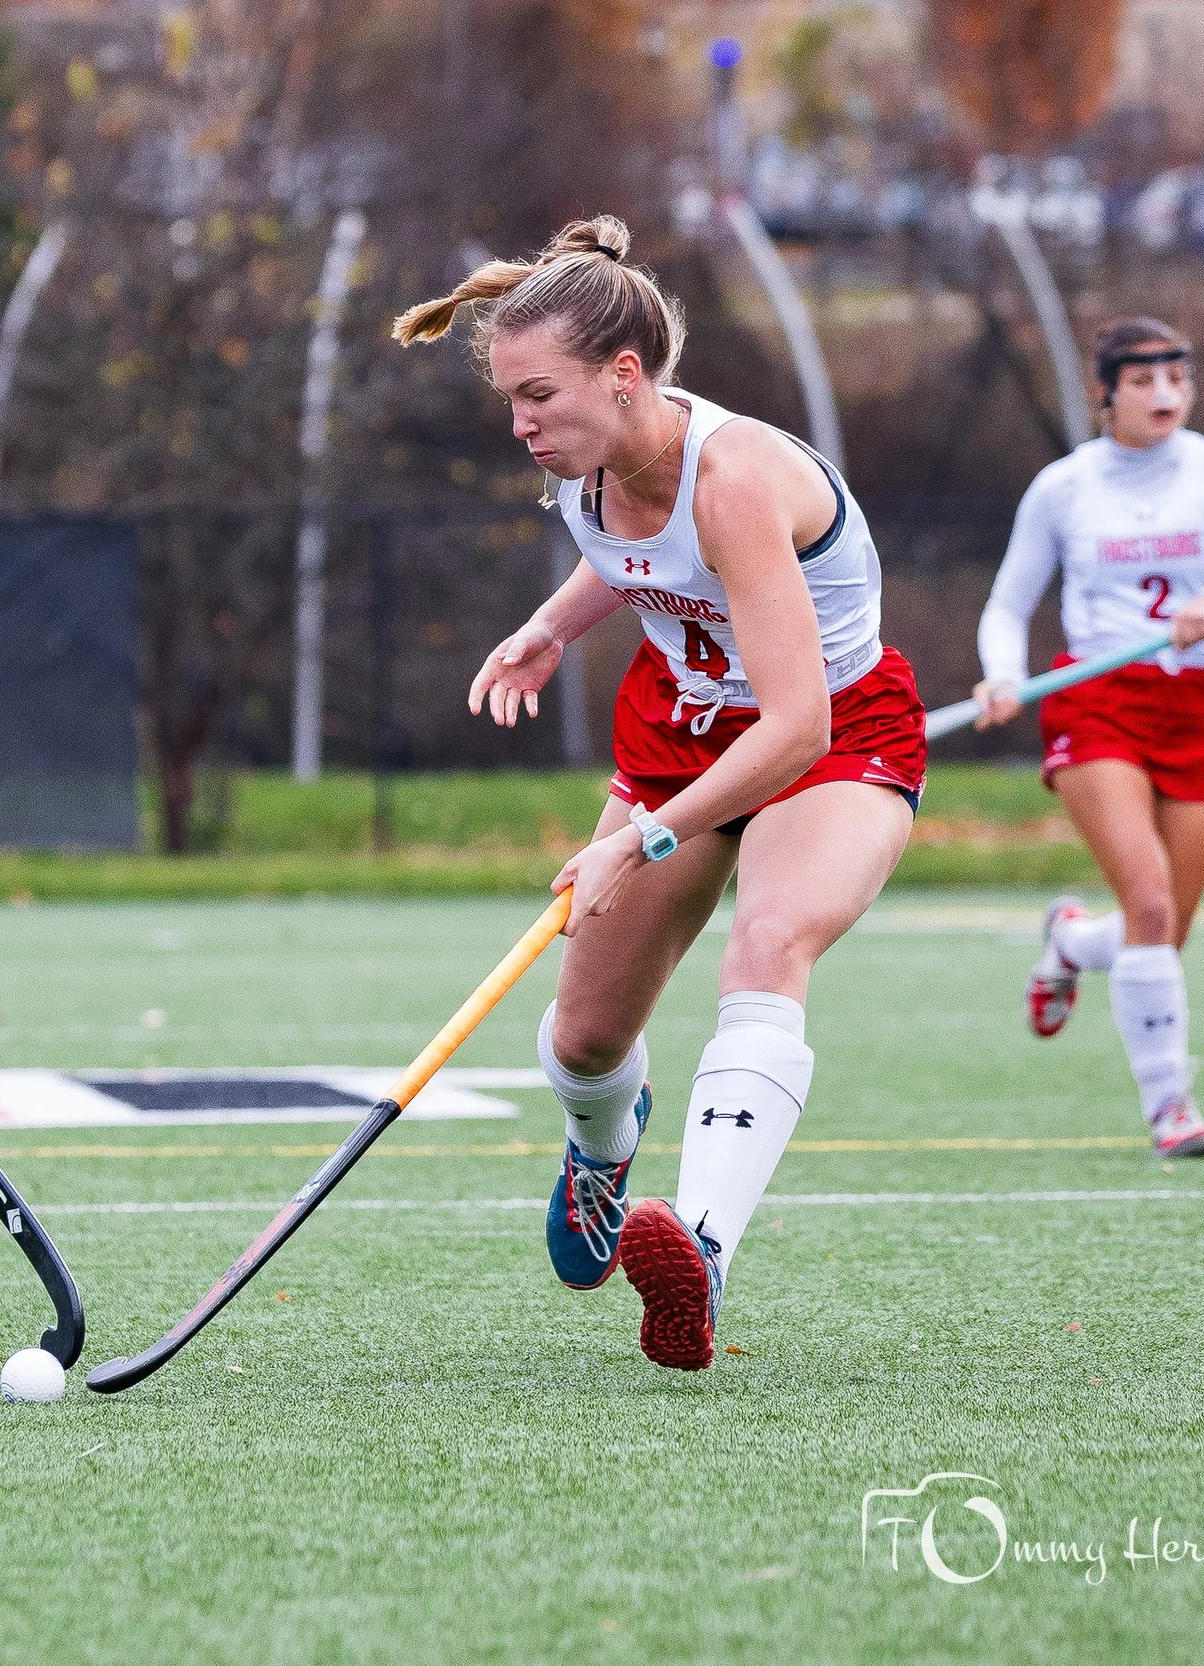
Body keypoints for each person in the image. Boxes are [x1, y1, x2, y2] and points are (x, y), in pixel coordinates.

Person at [395, 216, 926, 1372]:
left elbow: (793, 727)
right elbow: (628, 555)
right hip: (676, 736)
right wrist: (546, 628)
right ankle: (603, 1144)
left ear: (624, 375)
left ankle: (697, 1250)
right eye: (509, 399)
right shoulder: (591, 465)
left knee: (768, 943)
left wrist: (637, 839)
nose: (521, 423)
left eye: (539, 395)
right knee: (584, 1040)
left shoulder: (733, 481)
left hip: (825, 734)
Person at [972, 317, 1204, 1159]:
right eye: (1144, 380)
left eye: (1178, 377)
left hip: (1199, 703)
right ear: (1105, 393)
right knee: (1152, 903)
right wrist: (1001, 672)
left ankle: (1069, 941)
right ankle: (1172, 1108)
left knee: (1159, 928)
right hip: (1097, 698)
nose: (1165, 394)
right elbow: (1008, 606)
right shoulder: (1064, 487)